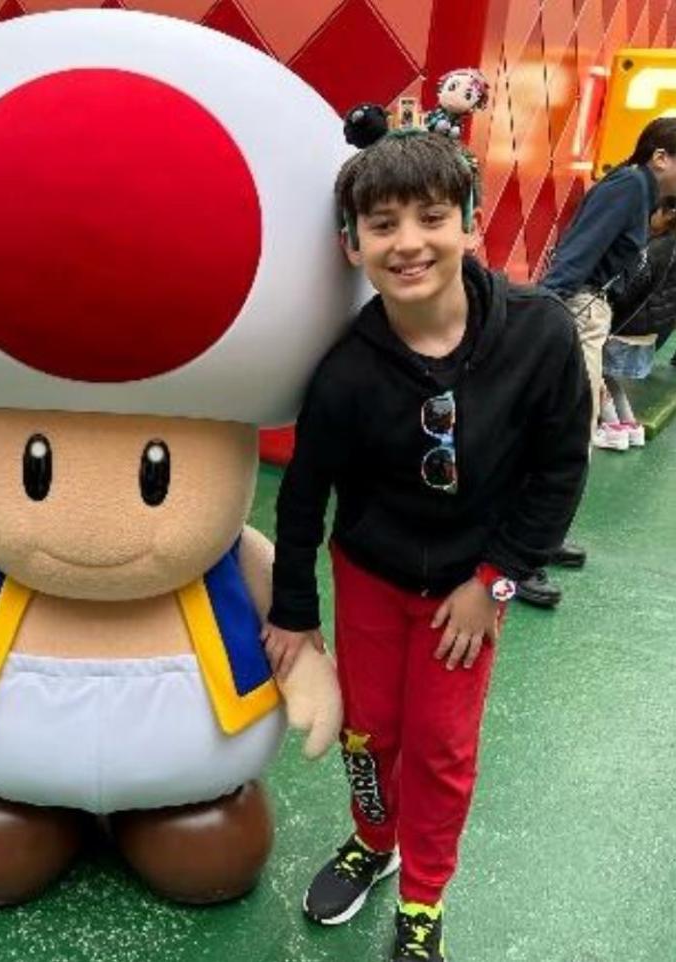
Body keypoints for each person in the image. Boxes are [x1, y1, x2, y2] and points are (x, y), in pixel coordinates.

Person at [262, 130, 590, 962]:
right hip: (370, 575)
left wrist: (499, 582)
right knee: (367, 731)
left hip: (472, 584)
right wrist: (297, 615)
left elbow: (559, 473)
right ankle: (374, 840)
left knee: (442, 748)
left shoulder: (539, 336)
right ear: (353, 245)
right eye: (382, 225)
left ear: (469, 226)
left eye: (431, 217)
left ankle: (423, 900)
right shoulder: (343, 372)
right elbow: (303, 499)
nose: (409, 242)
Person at [517, 118, 676, 603]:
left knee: (570, 433)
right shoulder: (630, 187)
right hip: (576, 311)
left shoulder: (640, 192)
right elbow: (575, 257)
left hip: (588, 313)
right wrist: (543, 321)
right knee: (564, 435)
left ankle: (541, 537)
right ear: (661, 157)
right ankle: (523, 553)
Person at [596, 196, 676, 449]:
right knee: (606, 373)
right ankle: (629, 425)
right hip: (656, 327)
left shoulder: (657, 248)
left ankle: (612, 427)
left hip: (631, 323)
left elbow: (630, 289)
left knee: (591, 368)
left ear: (666, 213)